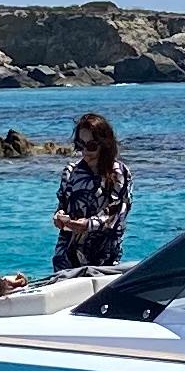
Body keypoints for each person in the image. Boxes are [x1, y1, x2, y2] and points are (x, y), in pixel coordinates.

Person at [54, 112, 131, 275]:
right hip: (67, 257)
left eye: (91, 146)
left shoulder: (119, 172)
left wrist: (88, 225)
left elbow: (117, 213)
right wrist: (59, 217)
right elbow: (62, 206)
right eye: (80, 145)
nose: (84, 152)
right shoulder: (70, 171)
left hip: (104, 257)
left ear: (104, 144)